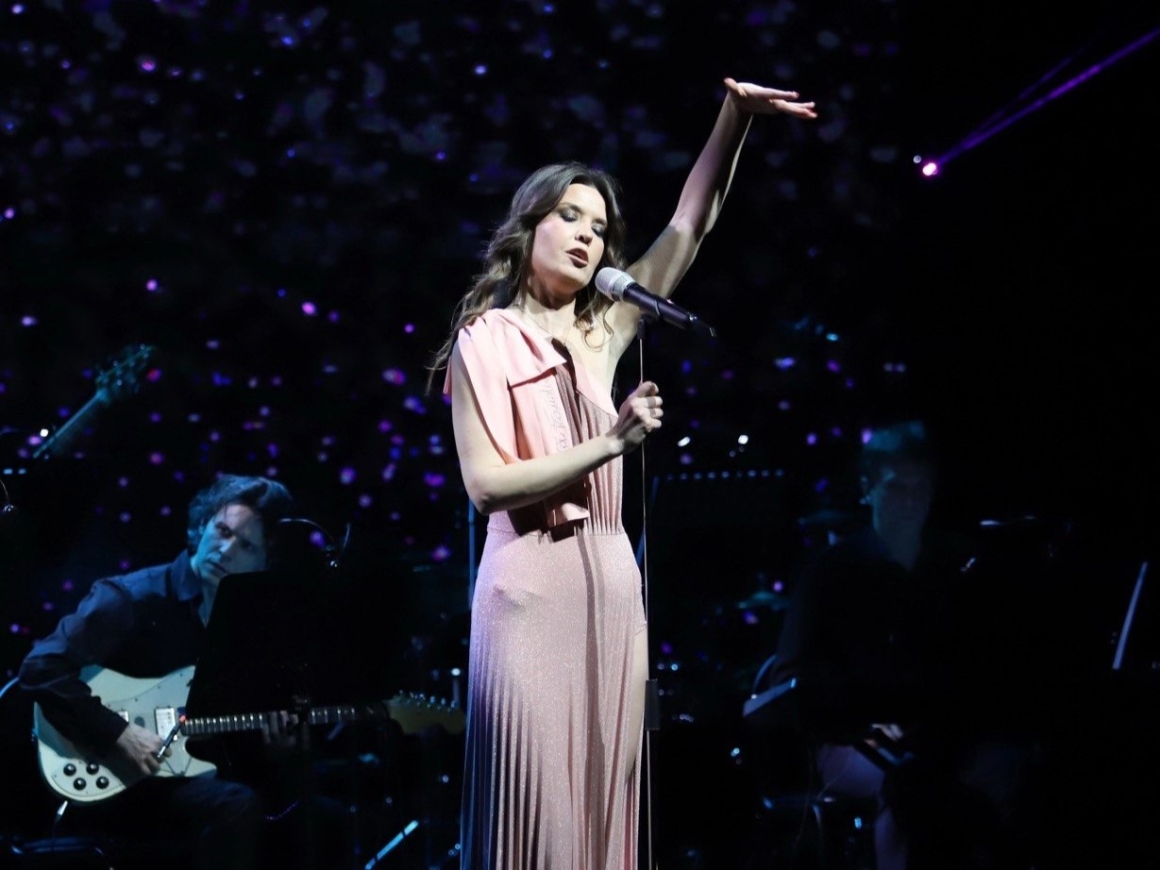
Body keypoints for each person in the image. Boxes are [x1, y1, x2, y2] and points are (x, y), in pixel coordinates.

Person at [428, 78, 817, 869]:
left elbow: (690, 224)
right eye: (570, 216)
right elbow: (487, 486)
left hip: (611, 587)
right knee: (537, 806)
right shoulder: (484, 338)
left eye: (600, 229)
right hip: (527, 591)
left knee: (607, 799)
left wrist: (733, 118)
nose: (587, 237)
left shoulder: (604, 330)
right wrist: (610, 443)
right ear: (529, 226)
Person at [768, 421, 1035, 870]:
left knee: (1008, 767)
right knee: (911, 785)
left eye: (920, 489)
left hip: (937, 733)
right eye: (896, 488)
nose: (910, 502)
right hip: (853, 740)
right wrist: (862, 720)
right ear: (868, 489)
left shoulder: (958, 563)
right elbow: (791, 680)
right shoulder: (832, 571)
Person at [17, 473, 309, 869]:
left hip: (187, 779)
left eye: (246, 545)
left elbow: (225, 737)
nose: (225, 550)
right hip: (113, 781)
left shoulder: (252, 630)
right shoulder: (134, 597)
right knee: (237, 806)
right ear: (202, 526)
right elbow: (40, 668)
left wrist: (276, 750)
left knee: (316, 815)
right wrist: (119, 733)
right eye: (222, 530)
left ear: (264, 562)